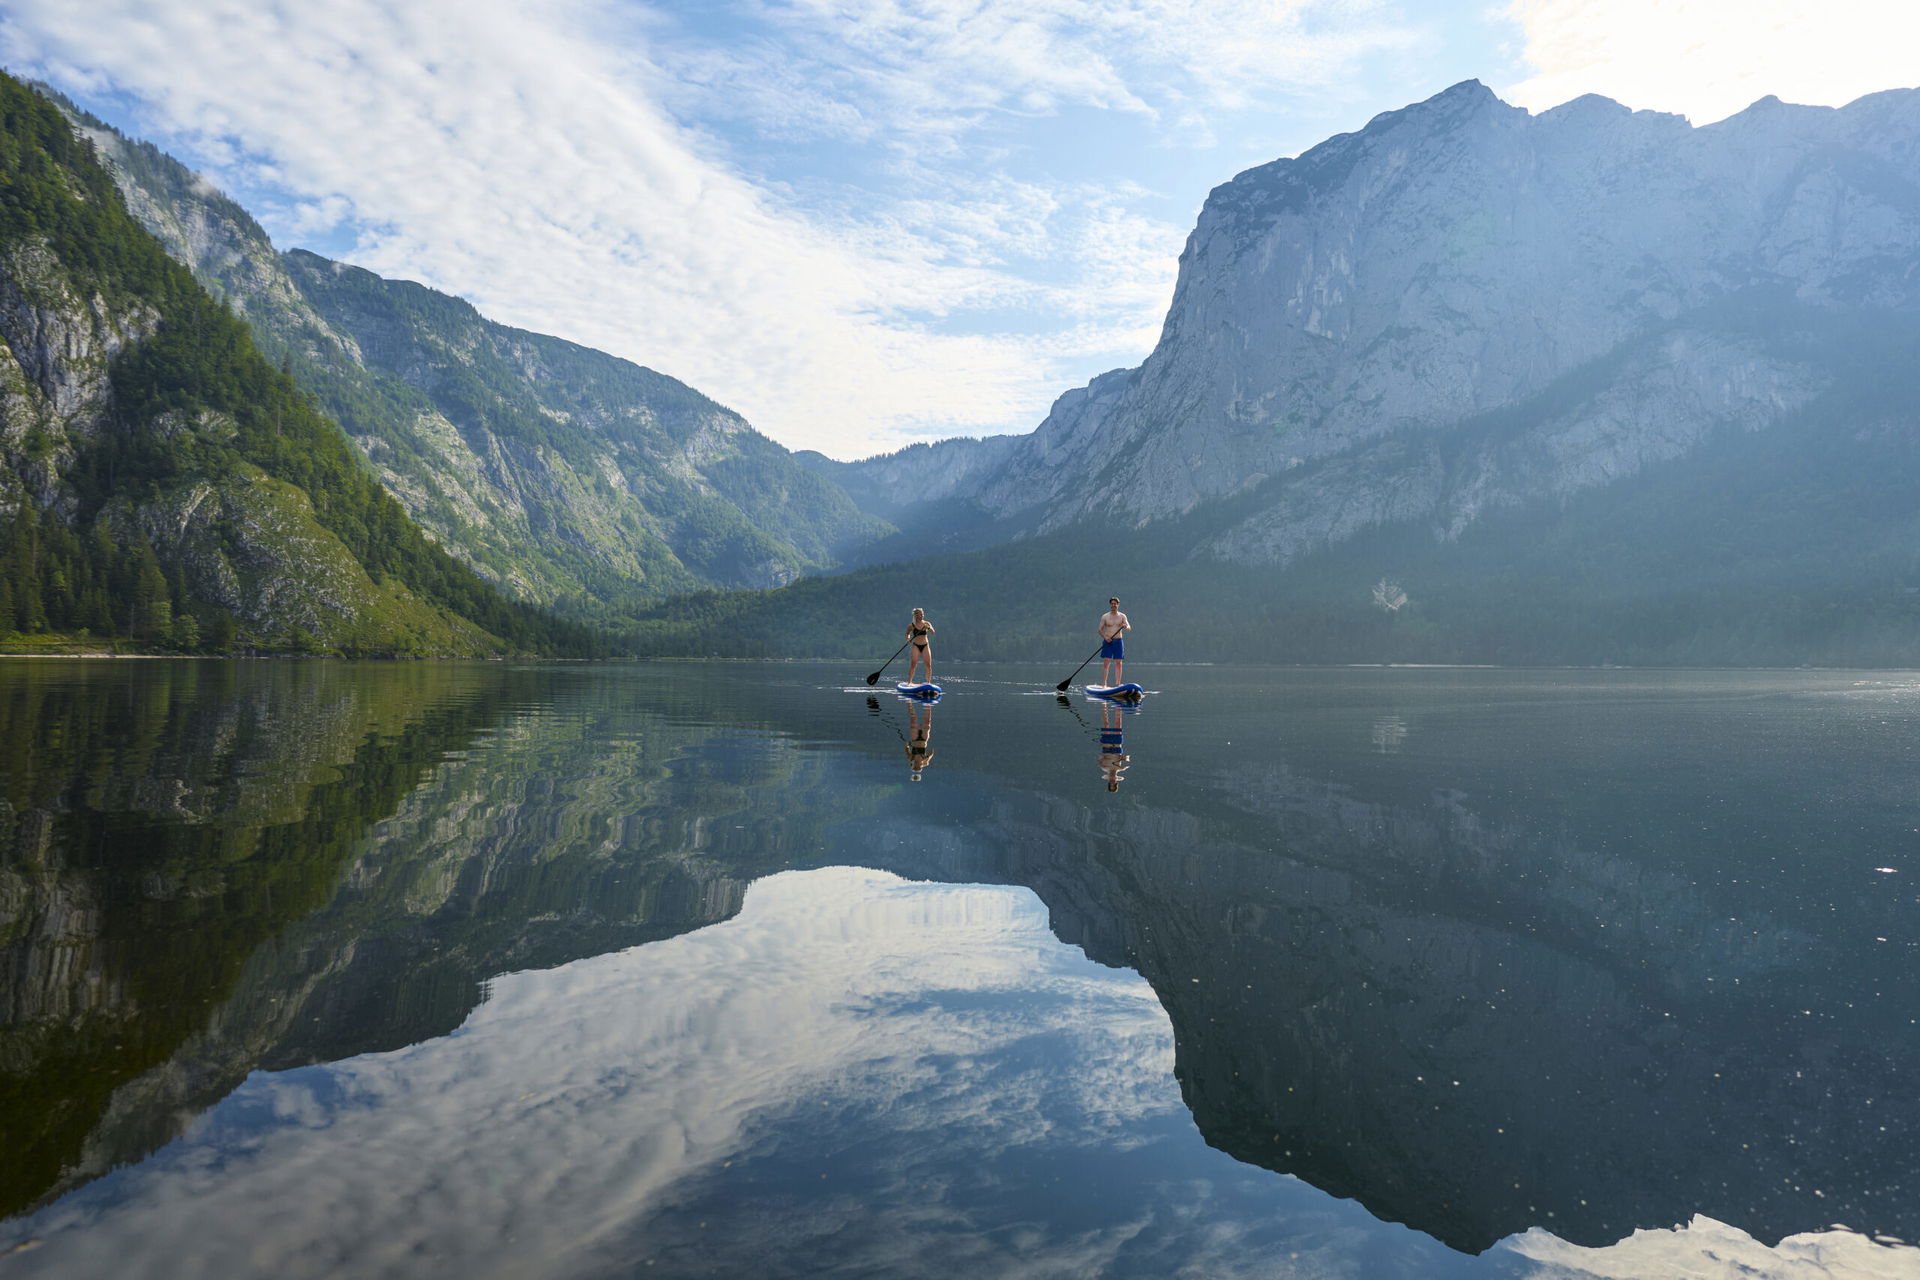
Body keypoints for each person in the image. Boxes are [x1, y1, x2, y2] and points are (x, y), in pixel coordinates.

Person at [1097, 701, 1130, 792]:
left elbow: (1100, 756)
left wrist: (1101, 747)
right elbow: (1126, 757)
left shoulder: (1103, 767)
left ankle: (1103, 704)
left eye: (1111, 782)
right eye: (1113, 782)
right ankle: (1118, 705)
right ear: (1116, 780)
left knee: (1106, 725)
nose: (1112, 779)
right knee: (1118, 724)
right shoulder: (1121, 768)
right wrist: (1125, 758)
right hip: (1117, 746)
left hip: (1106, 746)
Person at [1098, 597, 1129, 686]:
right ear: (1110, 605)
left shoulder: (1122, 616)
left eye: (1115, 604)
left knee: (1118, 663)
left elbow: (1129, 627)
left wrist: (1125, 626)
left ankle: (1118, 684)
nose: (1113, 605)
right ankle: (1104, 684)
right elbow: (1100, 630)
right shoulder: (1105, 616)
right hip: (1108, 641)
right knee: (1106, 662)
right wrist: (1105, 637)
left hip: (1118, 641)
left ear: (1118, 605)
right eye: (1112, 604)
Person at [905, 699, 935, 780]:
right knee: (927, 722)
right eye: (918, 767)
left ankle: (909, 702)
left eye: (916, 767)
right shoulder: (925, 762)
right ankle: (928, 703)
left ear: (913, 766)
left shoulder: (911, 758)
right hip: (924, 740)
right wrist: (928, 757)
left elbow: (906, 749)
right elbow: (932, 752)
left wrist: (907, 745)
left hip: (914, 740)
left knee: (913, 721)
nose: (918, 765)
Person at [906, 608, 935, 684]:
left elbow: (933, 632)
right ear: (916, 616)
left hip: (925, 645)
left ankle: (928, 683)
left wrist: (928, 628)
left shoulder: (927, 623)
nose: (922, 615)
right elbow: (908, 633)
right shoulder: (912, 625)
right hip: (916, 646)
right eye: (921, 614)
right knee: (913, 664)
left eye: (923, 614)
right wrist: (908, 638)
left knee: (928, 665)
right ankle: (909, 682)